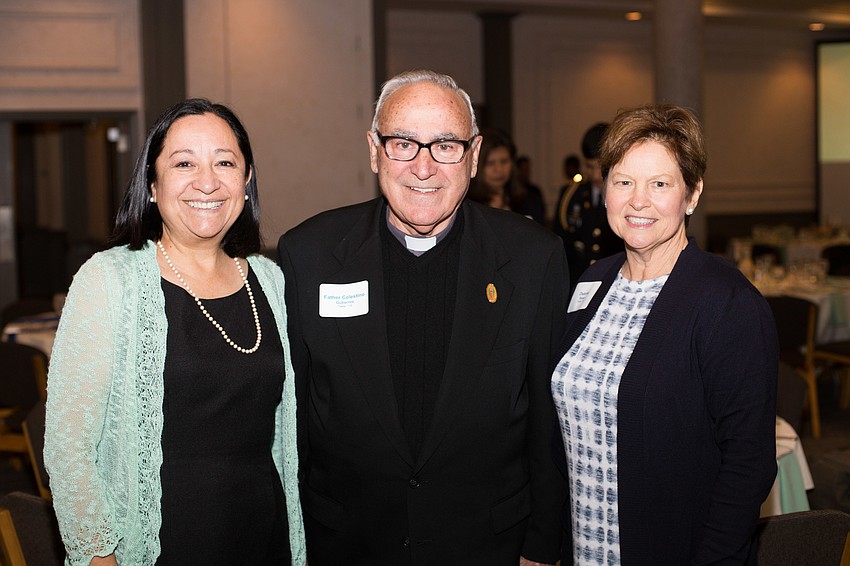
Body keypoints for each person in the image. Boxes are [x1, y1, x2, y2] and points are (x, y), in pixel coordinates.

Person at [278, 70, 569, 566]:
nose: (424, 167)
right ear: (374, 150)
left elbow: (548, 419)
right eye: (404, 144)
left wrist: (542, 546)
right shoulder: (309, 254)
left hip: (488, 545)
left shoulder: (532, 259)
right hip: (348, 543)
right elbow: (295, 418)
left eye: (445, 145)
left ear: (473, 155)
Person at [43, 99, 306, 566]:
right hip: (158, 548)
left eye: (225, 162)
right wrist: (99, 558)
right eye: (184, 163)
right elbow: (69, 449)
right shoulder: (108, 280)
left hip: (263, 538)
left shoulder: (272, 280)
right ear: (152, 183)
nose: (207, 181)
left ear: (246, 181)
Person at [551, 104, 777, 564]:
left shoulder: (727, 304)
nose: (639, 200)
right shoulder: (591, 281)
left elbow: (747, 465)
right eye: (623, 181)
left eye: (660, 184)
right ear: (605, 188)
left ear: (691, 195)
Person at [553, 124, 623, 288]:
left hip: (614, 281)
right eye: (590, 167)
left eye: (601, 167)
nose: (595, 174)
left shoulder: (625, 194)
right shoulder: (571, 195)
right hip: (578, 282)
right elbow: (561, 241)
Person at [468, 129, 545, 223]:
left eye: (504, 161)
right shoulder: (468, 206)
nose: (499, 169)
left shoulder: (529, 201)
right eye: (490, 163)